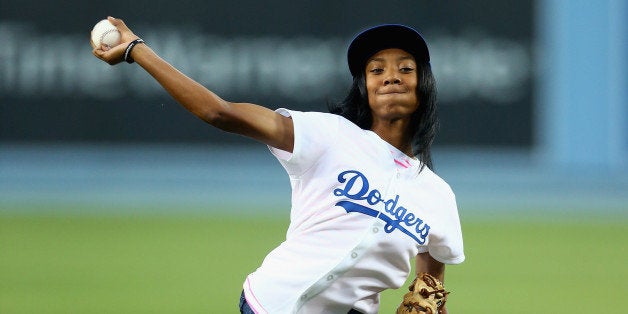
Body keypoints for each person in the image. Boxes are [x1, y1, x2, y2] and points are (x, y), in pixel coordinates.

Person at [92, 17, 465, 314]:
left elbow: (429, 288)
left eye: (406, 68)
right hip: (269, 303)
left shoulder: (438, 197)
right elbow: (219, 112)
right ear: (363, 88)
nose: (391, 76)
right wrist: (137, 51)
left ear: (423, 85)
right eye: (376, 70)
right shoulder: (328, 135)